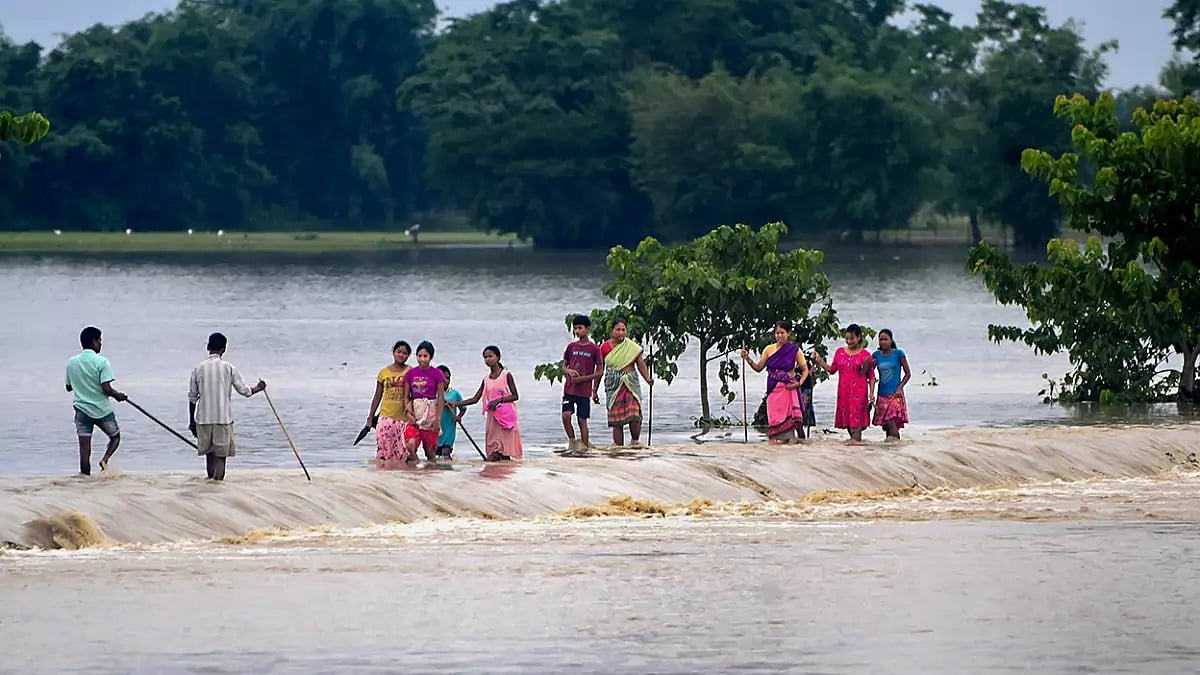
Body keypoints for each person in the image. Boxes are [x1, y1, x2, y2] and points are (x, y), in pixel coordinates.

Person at [187, 332, 266, 481]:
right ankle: (217, 490)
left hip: (203, 420)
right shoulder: (229, 368)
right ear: (224, 349)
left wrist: (192, 422)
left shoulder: (198, 369)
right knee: (221, 458)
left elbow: (192, 398)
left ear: (208, 347)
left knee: (209, 457)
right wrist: (259, 387)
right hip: (222, 419)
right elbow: (246, 391)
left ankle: (210, 487)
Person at [65, 326, 127, 475]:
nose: (101, 344)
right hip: (102, 411)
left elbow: (68, 387)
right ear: (93, 342)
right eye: (99, 340)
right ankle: (105, 460)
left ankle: (85, 483)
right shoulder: (102, 362)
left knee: (84, 452)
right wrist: (118, 395)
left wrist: (82, 384)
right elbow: (106, 388)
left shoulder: (71, 362)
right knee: (115, 437)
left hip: (81, 411)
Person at [450, 345, 522, 461]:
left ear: (498, 357)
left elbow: (515, 396)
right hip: (493, 419)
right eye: (485, 357)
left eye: (490, 356)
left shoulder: (506, 375)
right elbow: (475, 398)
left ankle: (505, 475)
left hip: (506, 418)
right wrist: (456, 404)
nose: (488, 359)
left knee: (504, 452)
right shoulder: (486, 379)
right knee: (493, 451)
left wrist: (499, 400)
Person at [741, 322, 809, 444]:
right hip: (773, 390)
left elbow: (805, 370)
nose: (779, 335)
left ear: (788, 334)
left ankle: (793, 444)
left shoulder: (795, 350)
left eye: (782, 333)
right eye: (777, 333)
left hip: (789, 389)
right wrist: (747, 358)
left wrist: (799, 383)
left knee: (791, 420)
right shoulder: (768, 349)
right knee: (774, 419)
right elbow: (758, 368)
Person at [810, 324, 875, 442]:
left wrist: (871, 394)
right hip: (844, 393)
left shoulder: (865, 355)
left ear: (859, 337)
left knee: (856, 424)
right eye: (847, 339)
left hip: (859, 394)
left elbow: (871, 377)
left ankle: (856, 449)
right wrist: (819, 360)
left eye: (852, 339)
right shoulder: (840, 352)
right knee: (849, 425)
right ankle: (854, 452)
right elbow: (832, 370)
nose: (849, 341)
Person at [600, 318, 654, 446]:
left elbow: (640, 364)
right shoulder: (604, 347)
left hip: (630, 382)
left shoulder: (632, 347)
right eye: (618, 330)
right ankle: (618, 448)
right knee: (616, 419)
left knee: (634, 414)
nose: (621, 333)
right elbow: (600, 369)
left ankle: (635, 443)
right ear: (612, 331)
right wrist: (594, 389)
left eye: (623, 330)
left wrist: (647, 378)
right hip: (613, 383)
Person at [561, 314, 604, 451]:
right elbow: (564, 366)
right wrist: (569, 372)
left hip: (584, 392)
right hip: (569, 389)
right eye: (575, 328)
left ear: (587, 329)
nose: (577, 331)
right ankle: (573, 442)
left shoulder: (594, 349)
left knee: (582, 420)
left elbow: (600, 371)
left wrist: (583, 380)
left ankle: (585, 448)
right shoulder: (571, 347)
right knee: (566, 416)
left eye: (580, 328)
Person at [366, 341, 411, 464]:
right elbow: (377, 396)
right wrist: (370, 417)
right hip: (385, 417)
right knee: (383, 452)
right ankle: (384, 479)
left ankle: (400, 477)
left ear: (408, 356)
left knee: (401, 453)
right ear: (393, 352)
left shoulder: (411, 372)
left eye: (405, 353)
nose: (401, 355)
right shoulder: (383, 372)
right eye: (399, 352)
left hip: (403, 419)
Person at [403, 341, 447, 462]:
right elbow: (406, 396)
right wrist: (409, 413)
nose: (422, 359)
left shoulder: (437, 374)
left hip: (430, 413)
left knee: (430, 452)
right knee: (410, 445)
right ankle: (415, 466)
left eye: (425, 356)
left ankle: (429, 476)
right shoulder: (410, 374)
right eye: (419, 356)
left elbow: (441, 398)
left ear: (431, 357)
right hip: (415, 412)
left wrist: (438, 419)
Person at [871, 328, 911, 440]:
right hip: (882, 395)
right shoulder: (876, 355)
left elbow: (908, 374)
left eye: (885, 339)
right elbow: (869, 374)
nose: (883, 342)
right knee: (886, 426)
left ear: (891, 340)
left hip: (895, 395)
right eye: (881, 340)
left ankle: (896, 446)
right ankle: (891, 452)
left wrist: (900, 387)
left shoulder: (898, 354)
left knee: (891, 421)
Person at [436, 365, 466, 459]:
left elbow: (463, 408)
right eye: (442, 378)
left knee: (446, 452)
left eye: (448, 378)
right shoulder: (433, 393)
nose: (445, 380)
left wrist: (459, 416)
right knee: (434, 454)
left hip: (449, 428)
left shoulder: (454, 394)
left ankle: (448, 472)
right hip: (436, 428)